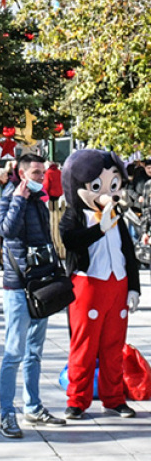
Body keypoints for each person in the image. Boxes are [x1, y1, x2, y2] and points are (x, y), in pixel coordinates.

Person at [60, 149, 142, 420]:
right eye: (98, 186)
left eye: (113, 184)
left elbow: (128, 253)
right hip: (88, 285)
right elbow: (71, 241)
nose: (109, 192)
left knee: (114, 346)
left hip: (117, 285)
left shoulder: (117, 217)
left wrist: (134, 287)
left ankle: (114, 398)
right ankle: (77, 400)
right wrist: (100, 229)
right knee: (84, 346)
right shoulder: (73, 216)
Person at [0, 154, 66, 437]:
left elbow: (46, 240)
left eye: (42, 173)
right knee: (14, 353)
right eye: (36, 173)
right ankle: (6, 414)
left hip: (41, 285)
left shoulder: (39, 202)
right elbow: (6, 230)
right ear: (22, 174)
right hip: (17, 287)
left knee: (34, 352)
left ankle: (33, 407)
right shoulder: (8, 199)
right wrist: (18, 200)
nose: (41, 178)